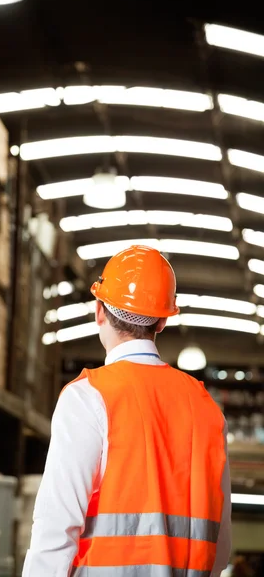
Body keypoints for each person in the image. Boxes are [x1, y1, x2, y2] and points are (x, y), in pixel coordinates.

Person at [22, 244, 232, 577]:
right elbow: (220, 548)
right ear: (162, 321)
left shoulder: (87, 397)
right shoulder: (207, 408)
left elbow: (56, 530)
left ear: (99, 311)